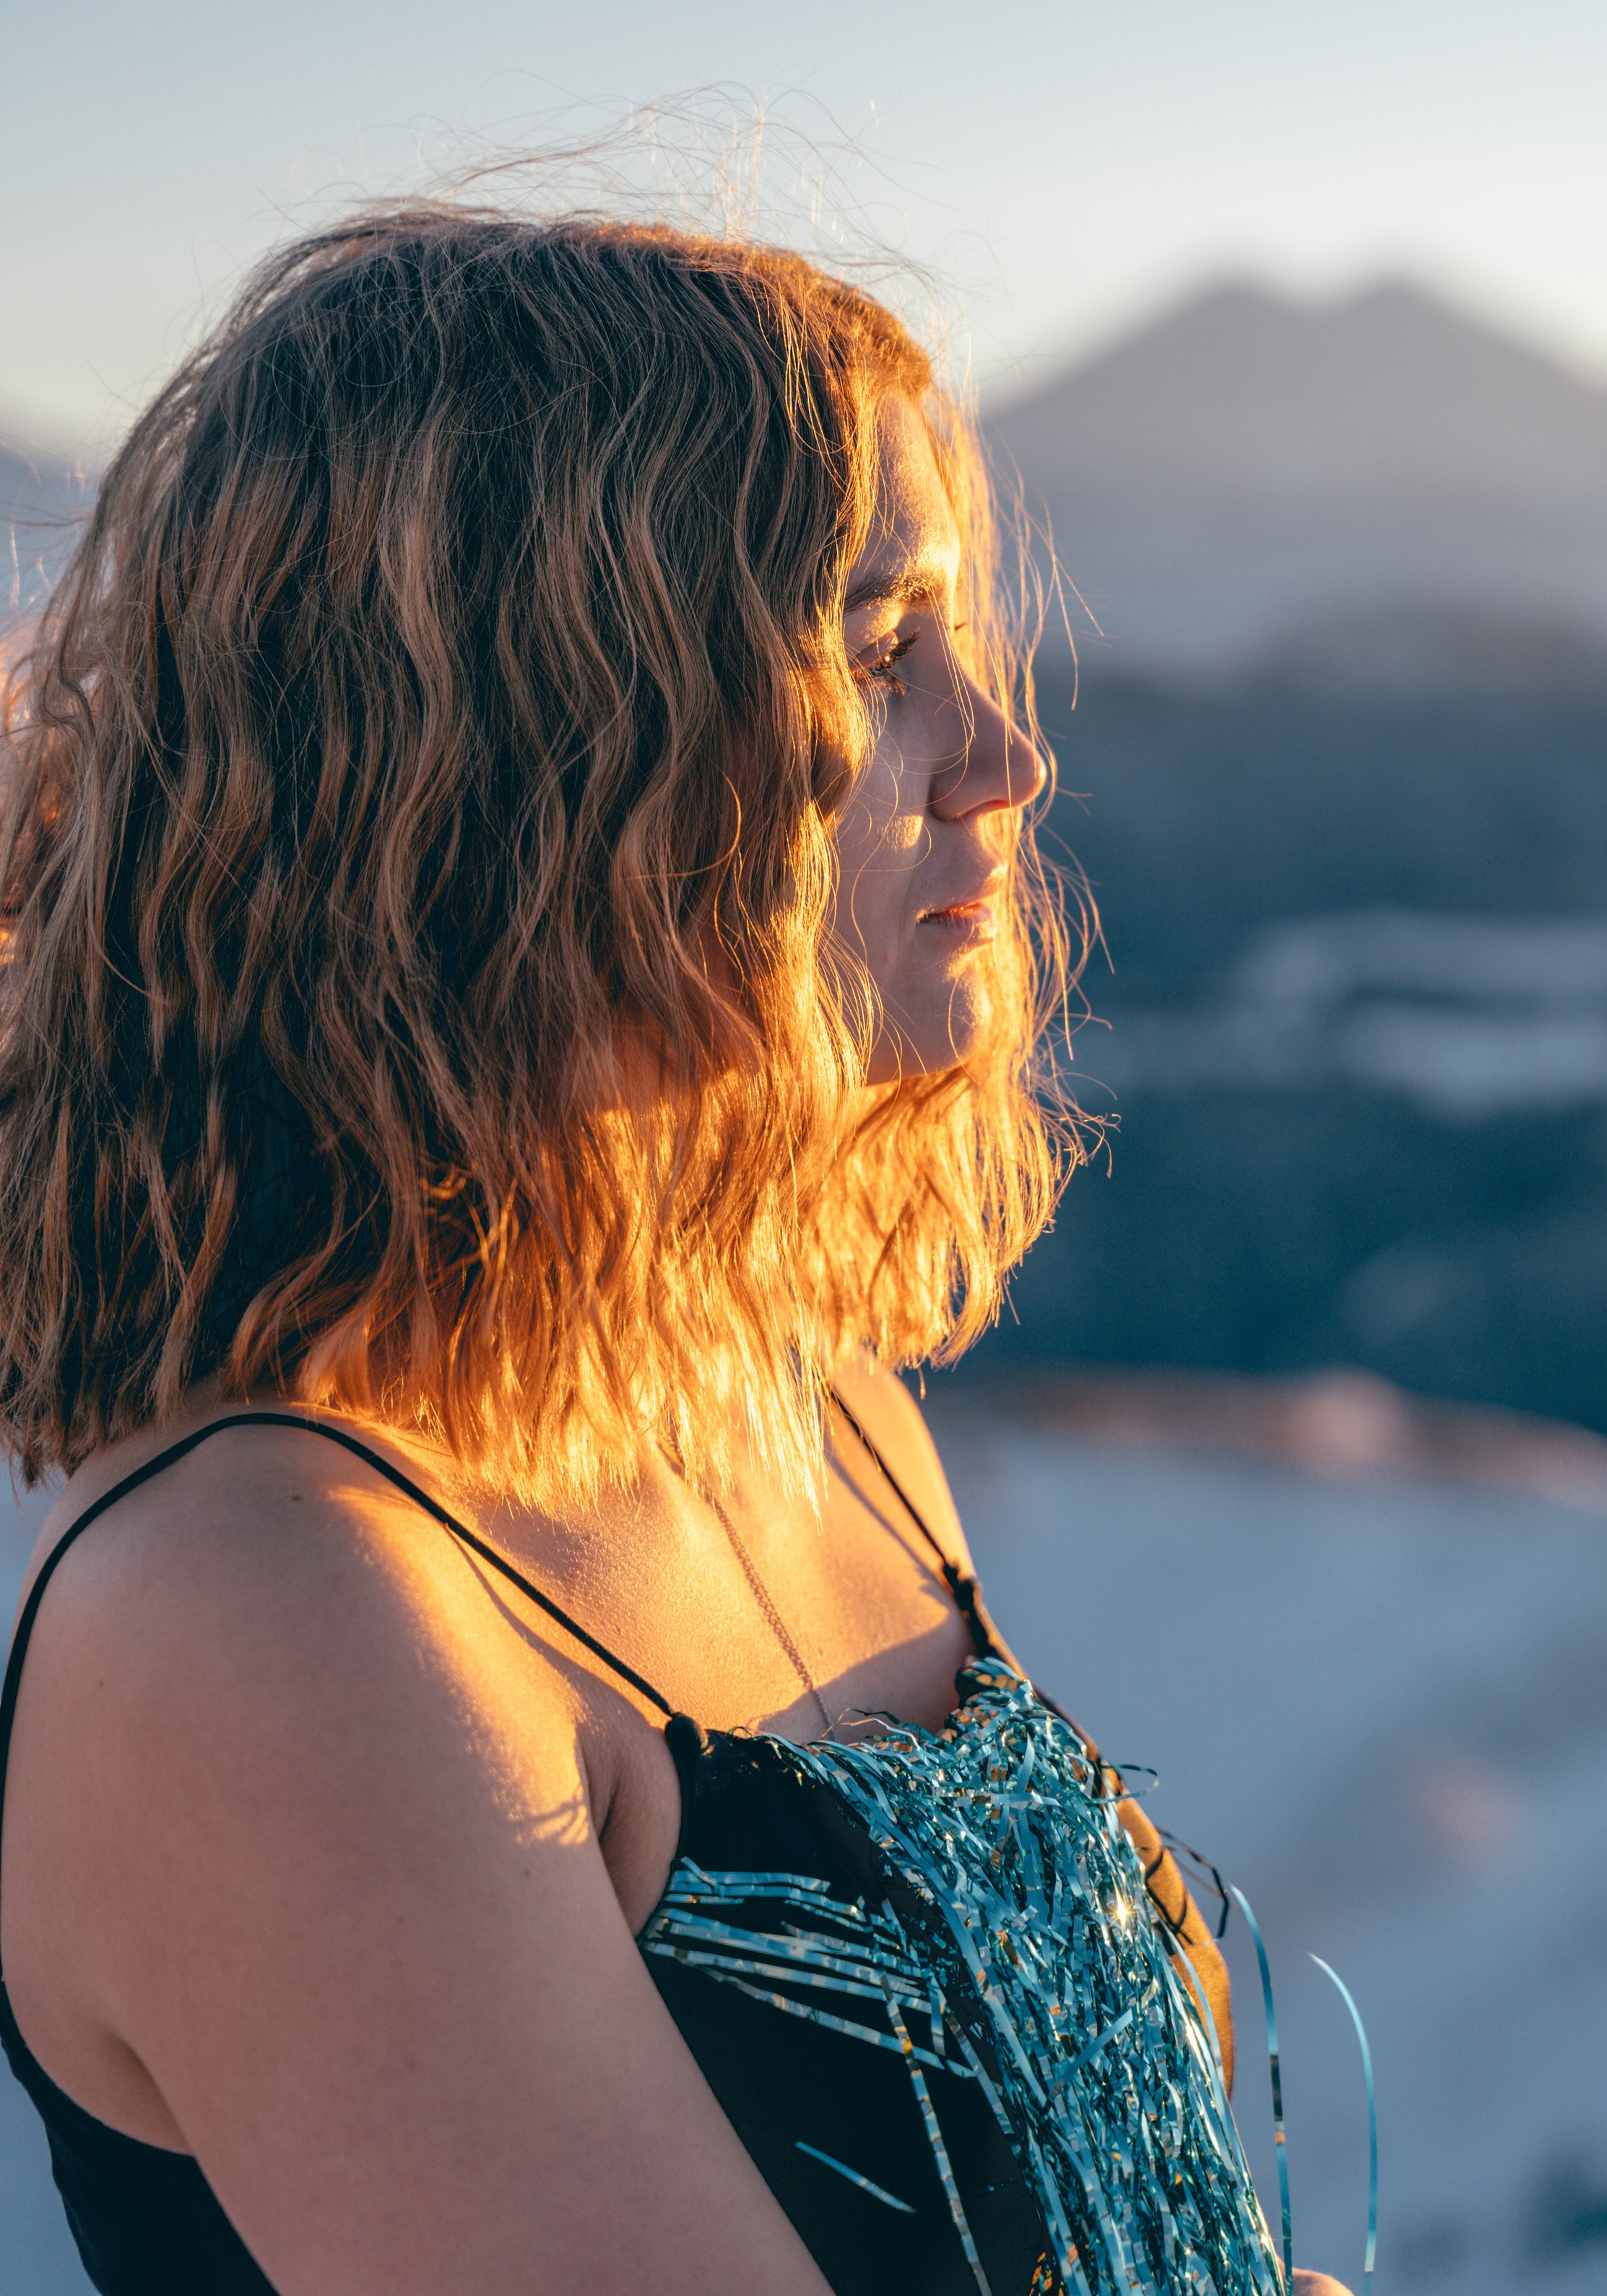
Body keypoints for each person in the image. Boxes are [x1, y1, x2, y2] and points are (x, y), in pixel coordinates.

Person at [0, 210, 1346, 2295]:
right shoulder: (262, 1625)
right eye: (878, 653)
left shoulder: (810, 1403)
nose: (1008, 757)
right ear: (531, 758)